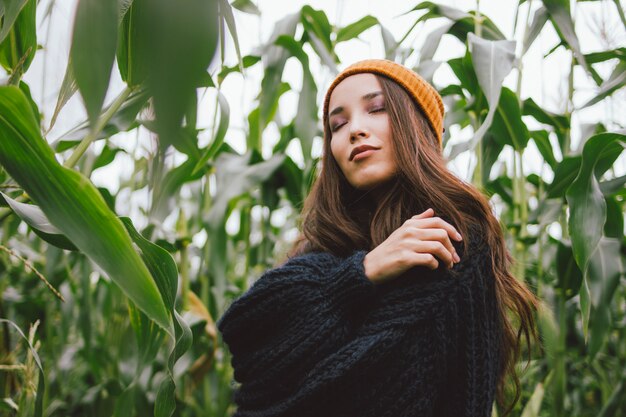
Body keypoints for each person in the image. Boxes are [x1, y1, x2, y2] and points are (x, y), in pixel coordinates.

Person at [217, 59, 539, 417]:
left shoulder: (452, 239)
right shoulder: (322, 252)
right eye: (337, 125)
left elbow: (442, 391)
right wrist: (361, 274)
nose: (355, 130)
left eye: (377, 108)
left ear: (414, 126)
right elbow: (247, 340)